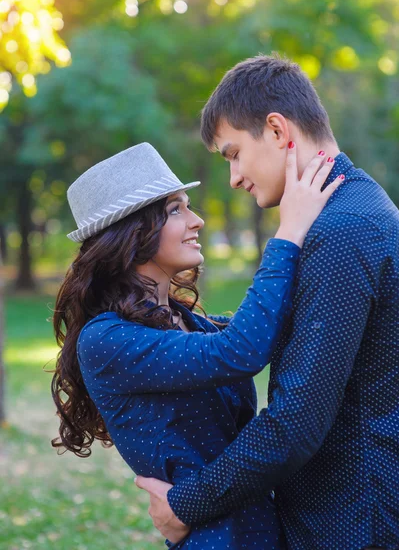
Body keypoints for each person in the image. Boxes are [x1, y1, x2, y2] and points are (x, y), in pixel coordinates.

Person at [136, 56, 399, 550]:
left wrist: (185, 504)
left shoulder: (343, 232)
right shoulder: (351, 210)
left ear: (277, 130)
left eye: (234, 153)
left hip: (354, 524)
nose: (234, 177)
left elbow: (295, 423)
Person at [51, 141, 342, 549]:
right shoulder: (106, 341)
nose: (198, 220)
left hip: (266, 529)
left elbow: (267, 329)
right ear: (132, 234)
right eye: (176, 210)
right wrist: (288, 233)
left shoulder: (189, 323)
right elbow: (241, 351)